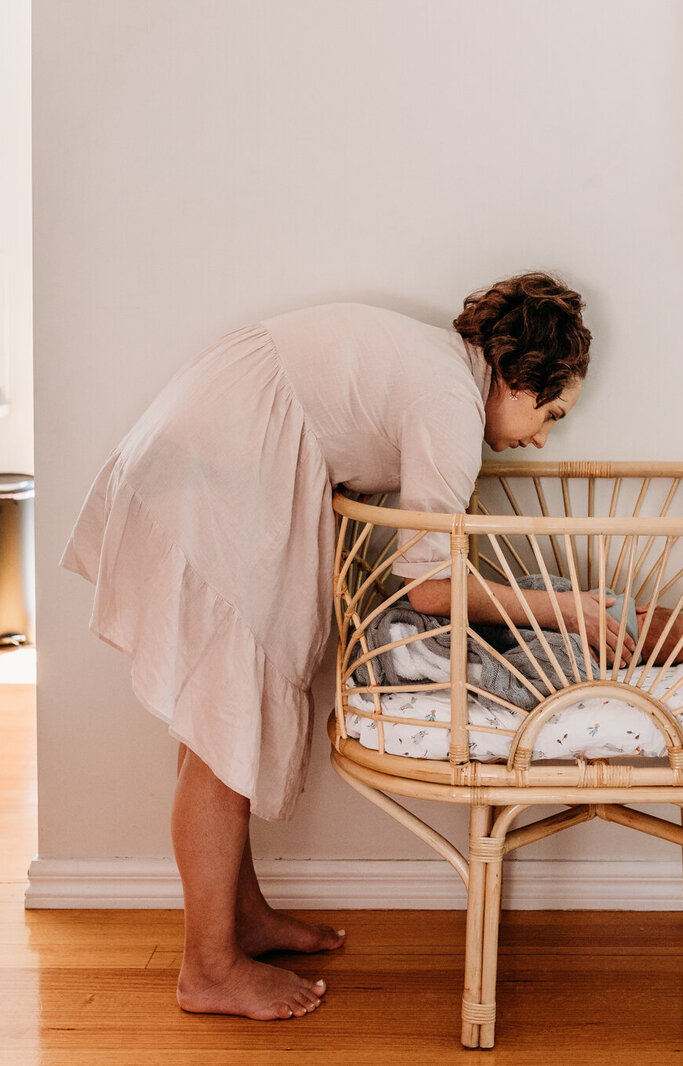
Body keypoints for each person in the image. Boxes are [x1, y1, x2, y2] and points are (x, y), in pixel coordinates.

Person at [61, 272, 619, 1021]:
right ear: (516, 376)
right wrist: (565, 610)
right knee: (225, 719)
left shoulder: (437, 373)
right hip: (231, 451)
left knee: (225, 715)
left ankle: (240, 920)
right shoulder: (450, 402)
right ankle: (207, 966)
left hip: (229, 436)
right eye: (548, 411)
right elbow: (428, 586)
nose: (545, 435)